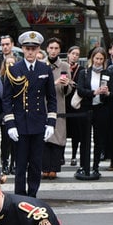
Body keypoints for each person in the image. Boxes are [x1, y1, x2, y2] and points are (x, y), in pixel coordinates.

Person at [2, 30, 58, 198]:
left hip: (39, 123)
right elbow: (6, 99)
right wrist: (10, 124)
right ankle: (20, 196)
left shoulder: (44, 68)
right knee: (20, 165)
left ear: (39, 49)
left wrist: (51, 123)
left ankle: (32, 195)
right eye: (27, 48)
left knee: (35, 164)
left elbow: (51, 98)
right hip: (20, 124)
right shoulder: (14, 69)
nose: (30, 52)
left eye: (34, 48)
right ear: (22, 49)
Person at [74, 47, 110, 181]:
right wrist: (94, 92)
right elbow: (80, 90)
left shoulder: (107, 73)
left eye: (101, 59)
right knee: (84, 139)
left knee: (98, 139)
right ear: (92, 58)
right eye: (97, 58)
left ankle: (95, 166)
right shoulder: (84, 73)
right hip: (86, 109)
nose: (99, 61)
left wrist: (107, 92)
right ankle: (84, 165)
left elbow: (112, 91)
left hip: (101, 109)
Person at [42, 37, 71, 180]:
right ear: (47, 49)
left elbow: (69, 88)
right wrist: (54, 82)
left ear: (60, 50)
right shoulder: (41, 65)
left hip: (59, 104)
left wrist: (66, 85)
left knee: (57, 136)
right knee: (44, 137)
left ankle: (54, 168)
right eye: (51, 48)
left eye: (56, 48)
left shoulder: (64, 66)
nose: (53, 51)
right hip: (43, 105)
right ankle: (45, 167)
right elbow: (38, 87)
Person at [65, 45, 86, 168]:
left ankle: (73, 155)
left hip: (76, 102)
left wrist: (73, 83)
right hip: (64, 101)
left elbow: (83, 84)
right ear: (68, 54)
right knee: (62, 130)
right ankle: (61, 155)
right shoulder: (63, 67)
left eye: (77, 54)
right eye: (73, 53)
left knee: (76, 132)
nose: (75, 56)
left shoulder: (81, 69)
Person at [0, 54, 17, 175]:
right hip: (5, 113)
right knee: (5, 140)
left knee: (16, 141)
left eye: (12, 63)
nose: (10, 66)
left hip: (17, 113)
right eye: (8, 63)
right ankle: (5, 161)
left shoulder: (19, 78)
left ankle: (13, 163)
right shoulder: (0, 78)